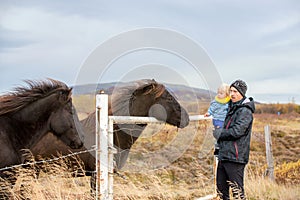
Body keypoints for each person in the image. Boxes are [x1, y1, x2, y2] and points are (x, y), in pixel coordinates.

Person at [213, 79, 255, 200]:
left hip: (235, 157)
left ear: (242, 93)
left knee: (237, 193)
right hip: (224, 155)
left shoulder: (245, 111)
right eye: (231, 91)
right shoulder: (230, 107)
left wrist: (218, 133)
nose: (232, 94)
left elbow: (237, 131)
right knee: (221, 192)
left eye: (235, 91)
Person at [204, 83, 230, 155]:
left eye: (221, 93)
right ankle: (217, 148)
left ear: (227, 94)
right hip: (218, 120)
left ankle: (224, 148)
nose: (219, 94)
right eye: (218, 93)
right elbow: (211, 109)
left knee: (225, 135)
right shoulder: (215, 102)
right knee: (218, 134)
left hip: (226, 121)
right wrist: (208, 113)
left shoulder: (229, 102)